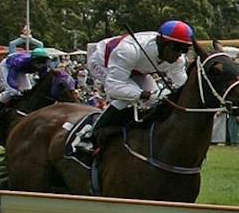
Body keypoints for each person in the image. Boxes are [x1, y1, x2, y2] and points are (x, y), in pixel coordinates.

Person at [83, 19, 195, 148]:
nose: (178, 54)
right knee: (126, 98)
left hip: (136, 70)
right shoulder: (129, 50)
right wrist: (145, 95)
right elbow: (113, 88)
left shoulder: (178, 60)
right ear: (161, 42)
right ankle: (88, 136)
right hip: (102, 62)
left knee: (155, 101)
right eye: (175, 48)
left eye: (184, 49)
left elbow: (183, 87)